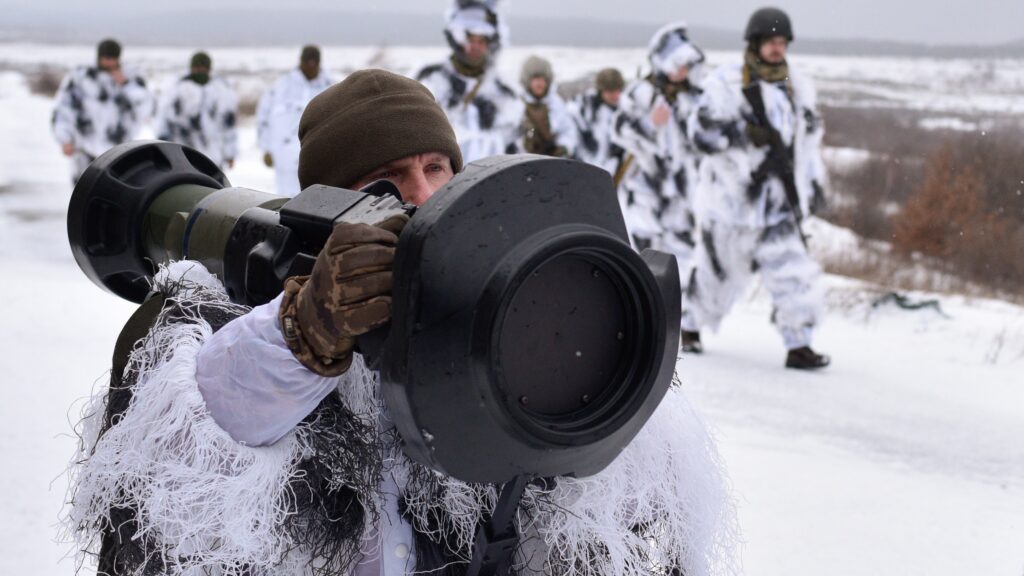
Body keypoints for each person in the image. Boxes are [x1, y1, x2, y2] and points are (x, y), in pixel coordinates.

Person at [64, 70, 737, 576]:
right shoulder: (255, 322)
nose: (419, 194)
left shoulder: (491, 304)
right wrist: (308, 333)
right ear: (330, 204)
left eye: (435, 168)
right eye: (384, 179)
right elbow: (209, 432)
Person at [681, 7, 830, 369]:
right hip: (731, 204)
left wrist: (813, 182)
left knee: (793, 273)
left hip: (779, 204)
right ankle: (688, 329)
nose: (777, 49)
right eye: (770, 42)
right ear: (755, 43)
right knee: (716, 274)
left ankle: (799, 344)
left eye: (782, 42)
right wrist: (740, 133)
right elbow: (699, 135)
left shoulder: (797, 87)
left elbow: (806, 145)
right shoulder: (727, 83)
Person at [611, 22, 705, 291]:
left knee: (681, 258)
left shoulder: (694, 100)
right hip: (645, 189)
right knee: (644, 257)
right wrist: (650, 125)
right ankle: (645, 314)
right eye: (678, 64)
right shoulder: (640, 93)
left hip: (680, 193)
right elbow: (619, 130)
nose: (682, 71)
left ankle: (682, 318)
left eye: (687, 65)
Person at [416, 0, 522, 162]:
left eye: (482, 41)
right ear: (457, 39)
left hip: (494, 181)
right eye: (470, 40)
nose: (476, 47)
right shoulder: (431, 80)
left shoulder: (504, 92)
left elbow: (517, 144)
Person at [51, 38, 152, 183]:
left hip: (119, 152)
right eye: (106, 58)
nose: (110, 62)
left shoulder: (131, 78)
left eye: (113, 58)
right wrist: (65, 138)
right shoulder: (81, 78)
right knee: (84, 195)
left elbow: (146, 108)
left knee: (118, 197)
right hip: (85, 150)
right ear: (99, 57)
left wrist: (125, 84)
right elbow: (64, 109)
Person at [256, 45, 333, 197]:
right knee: (286, 201)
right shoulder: (281, 86)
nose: (311, 67)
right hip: (285, 158)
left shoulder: (330, 87)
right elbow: (263, 118)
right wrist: (266, 148)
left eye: (314, 63)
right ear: (301, 62)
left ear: (319, 63)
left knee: (317, 201)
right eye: (307, 62)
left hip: (318, 158)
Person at [154, 51, 239, 170]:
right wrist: (163, 149)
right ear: (192, 68)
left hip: (213, 156)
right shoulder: (178, 90)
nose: (200, 71)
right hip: (183, 155)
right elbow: (165, 121)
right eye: (197, 68)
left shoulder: (221, 91)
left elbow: (229, 126)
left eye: (203, 68)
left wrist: (230, 153)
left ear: (209, 69)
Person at [517, 55, 577, 158]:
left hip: (550, 163)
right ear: (527, 80)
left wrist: (563, 146)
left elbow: (568, 130)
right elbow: (507, 136)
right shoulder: (516, 104)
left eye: (544, 79)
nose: (540, 83)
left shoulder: (556, 103)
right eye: (536, 78)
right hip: (521, 163)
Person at [569, 68, 626, 176]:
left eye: (617, 90)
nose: (615, 95)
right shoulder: (586, 108)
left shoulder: (626, 110)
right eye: (610, 91)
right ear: (601, 90)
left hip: (617, 172)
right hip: (589, 169)